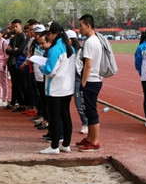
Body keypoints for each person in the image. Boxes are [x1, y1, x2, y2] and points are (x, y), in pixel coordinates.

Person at [39, 22, 76, 155]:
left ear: (54, 34)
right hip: (67, 87)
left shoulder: (55, 49)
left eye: (49, 34)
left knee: (54, 118)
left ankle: (54, 146)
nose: (47, 36)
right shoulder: (70, 48)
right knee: (65, 115)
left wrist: (41, 68)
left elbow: (50, 70)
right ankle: (66, 144)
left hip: (55, 88)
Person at [76, 14, 103, 152]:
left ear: (88, 25)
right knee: (89, 109)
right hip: (95, 79)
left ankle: (95, 141)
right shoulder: (95, 40)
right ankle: (90, 137)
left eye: (80, 25)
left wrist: (84, 81)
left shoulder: (90, 42)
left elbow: (88, 64)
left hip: (91, 80)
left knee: (91, 110)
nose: (78, 28)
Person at [6, 19, 27, 110]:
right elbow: (7, 50)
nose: (15, 28)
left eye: (16, 26)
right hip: (12, 63)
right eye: (13, 27)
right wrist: (13, 50)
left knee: (20, 84)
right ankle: (14, 101)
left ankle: (21, 102)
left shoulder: (23, 37)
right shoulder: (13, 38)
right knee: (14, 84)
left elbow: (20, 50)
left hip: (20, 63)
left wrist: (14, 50)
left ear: (20, 26)